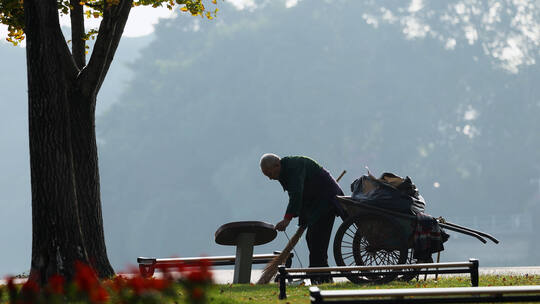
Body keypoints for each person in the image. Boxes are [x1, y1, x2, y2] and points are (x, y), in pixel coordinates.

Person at [260, 153, 344, 283]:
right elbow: (300, 195)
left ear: (277, 165)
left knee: (317, 240)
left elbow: (296, 194)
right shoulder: (285, 171)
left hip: (326, 202)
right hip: (314, 205)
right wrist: (302, 216)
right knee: (312, 239)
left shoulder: (293, 168)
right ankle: (322, 277)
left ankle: (319, 277)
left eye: (270, 174)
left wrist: (287, 219)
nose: (270, 178)